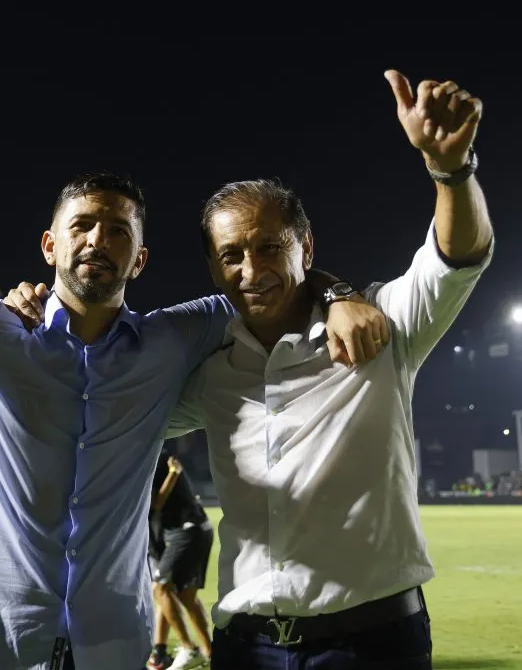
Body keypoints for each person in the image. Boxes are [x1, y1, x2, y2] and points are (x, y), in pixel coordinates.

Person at [0, 53, 384, 670]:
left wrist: (338, 294)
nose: (97, 240)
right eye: (81, 225)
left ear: (140, 259)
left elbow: (269, 284)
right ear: (49, 245)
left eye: (118, 231)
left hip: (110, 649)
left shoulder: (173, 339)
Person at [168, 71, 494, 669]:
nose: (251, 270)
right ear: (213, 270)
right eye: (231, 256)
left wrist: (451, 171)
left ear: (306, 247)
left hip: (371, 645)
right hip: (246, 647)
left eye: (270, 247)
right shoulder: (211, 376)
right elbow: (109, 414)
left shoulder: (383, 327)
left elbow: (455, 261)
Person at [146, 451, 213, 670]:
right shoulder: (155, 456)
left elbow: (155, 503)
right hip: (197, 528)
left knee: (161, 588)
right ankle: (210, 652)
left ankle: (189, 648)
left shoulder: (146, 460)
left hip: (185, 531)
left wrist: (173, 474)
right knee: (182, 594)